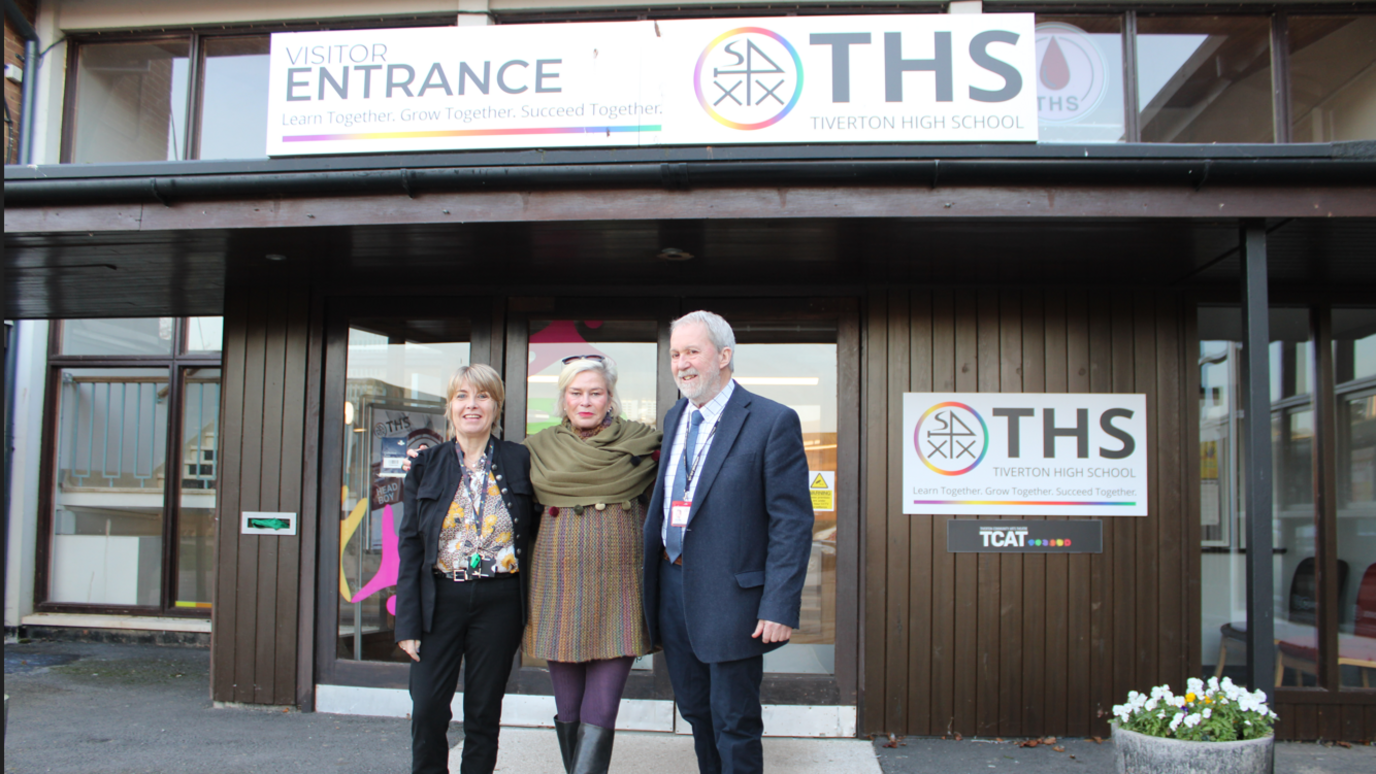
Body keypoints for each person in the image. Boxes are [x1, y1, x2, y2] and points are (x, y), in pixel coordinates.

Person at [641, 311, 814, 774]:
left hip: (734, 600)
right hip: (673, 591)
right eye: (675, 354)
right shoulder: (676, 416)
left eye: (692, 352)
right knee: (696, 713)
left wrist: (779, 604)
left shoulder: (772, 421)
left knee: (734, 721)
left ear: (724, 355)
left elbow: (792, 522)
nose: (682, 364)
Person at [395, 363, 538, 774]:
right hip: (439, 599)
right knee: (427, 708)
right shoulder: (425, 464)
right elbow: (410, 546)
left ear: (497, 406)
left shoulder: (520, 459)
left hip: (501, 600)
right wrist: (407, 623)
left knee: (483, 709)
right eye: (462, 396)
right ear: (449, 407)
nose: (472, 405)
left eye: (483, 396)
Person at [522, 356, 662, 774]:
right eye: (576, 392)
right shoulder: (535, 450)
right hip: (555, 588)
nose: (586, 401)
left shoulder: (643, 445)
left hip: (620, 590)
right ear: (563, 399)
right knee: (567, 708)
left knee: (601, 709)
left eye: (595, 393)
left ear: (609, 398)